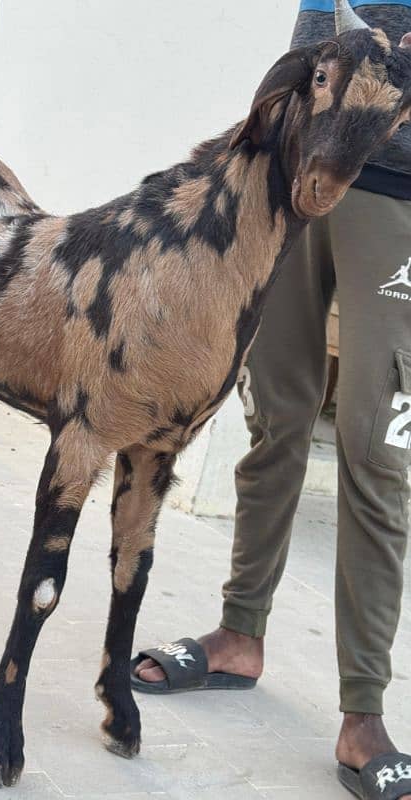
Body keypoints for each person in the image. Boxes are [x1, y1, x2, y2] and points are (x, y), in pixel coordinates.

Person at [131, 2, 411, 798]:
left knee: (373, 450)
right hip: (301, 179)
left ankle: (364, 715)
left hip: (401, 206)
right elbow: (312, 46)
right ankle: (239, 634)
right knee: (275, 418)